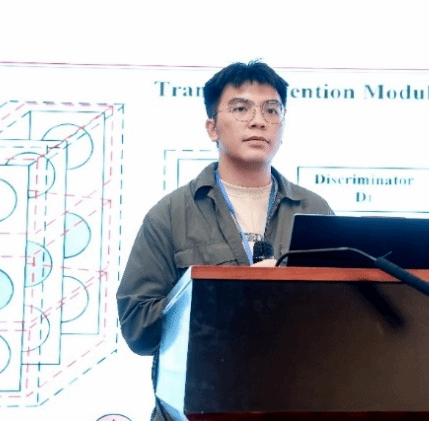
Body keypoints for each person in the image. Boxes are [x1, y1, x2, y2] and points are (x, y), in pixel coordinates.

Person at [117, 60, 333, 421]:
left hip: (291, 406)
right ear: (212, 128)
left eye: (272, 110)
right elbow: (138, 328)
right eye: (241, 108)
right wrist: (227, 300)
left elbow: (338, 325)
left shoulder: (314, 210)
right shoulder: (170, 215)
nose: (259, 121)